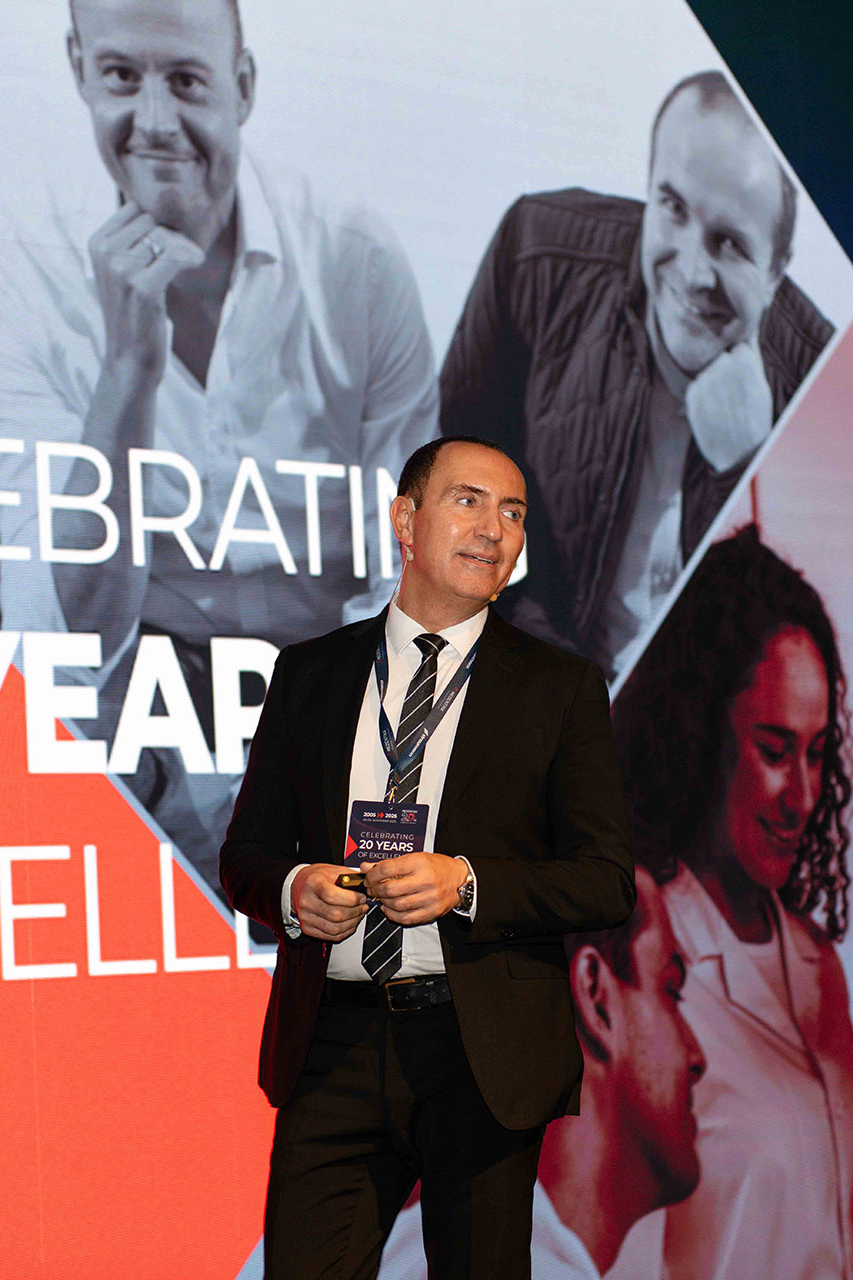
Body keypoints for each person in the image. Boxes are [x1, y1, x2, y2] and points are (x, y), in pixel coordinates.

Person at [0, 0, 437, 890]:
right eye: (120, 76)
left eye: (186, 81)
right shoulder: (21, 261)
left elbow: (409, 579)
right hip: (147, 684)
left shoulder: (358, 260)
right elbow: (59, 643)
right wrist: (128, 373)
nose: (154, 122)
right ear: (77, 68)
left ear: (243, 87)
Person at [220, 436, 635, 1280]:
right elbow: (246, 855)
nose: (494, 529)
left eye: (513, 512)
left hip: (479, 1049)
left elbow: (605, 880)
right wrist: (295, 890)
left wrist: (467, 883)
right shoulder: (309, 674)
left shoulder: (560, 687)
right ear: (405, 521)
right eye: (468, 501)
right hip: (331, 1044)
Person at [439, 70, 831, 678]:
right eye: (672, 209)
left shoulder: (820, 379)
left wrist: (747, 466)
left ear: (777, 269)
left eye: (730, 244)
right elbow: (454, 492)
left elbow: (780, 649)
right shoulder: (537, 256)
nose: (693, 272)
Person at [611, 526, 853, 1280]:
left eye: (817, 753)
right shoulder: (640, 957)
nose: (802, 796)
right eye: (774, 751)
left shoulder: (818, 966)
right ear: (704, 737)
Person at [376, 868, 709, 1280]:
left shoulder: (422, 1237)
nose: (698, 1056)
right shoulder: (487, 1252)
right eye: (671, 990)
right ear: (596, 996)